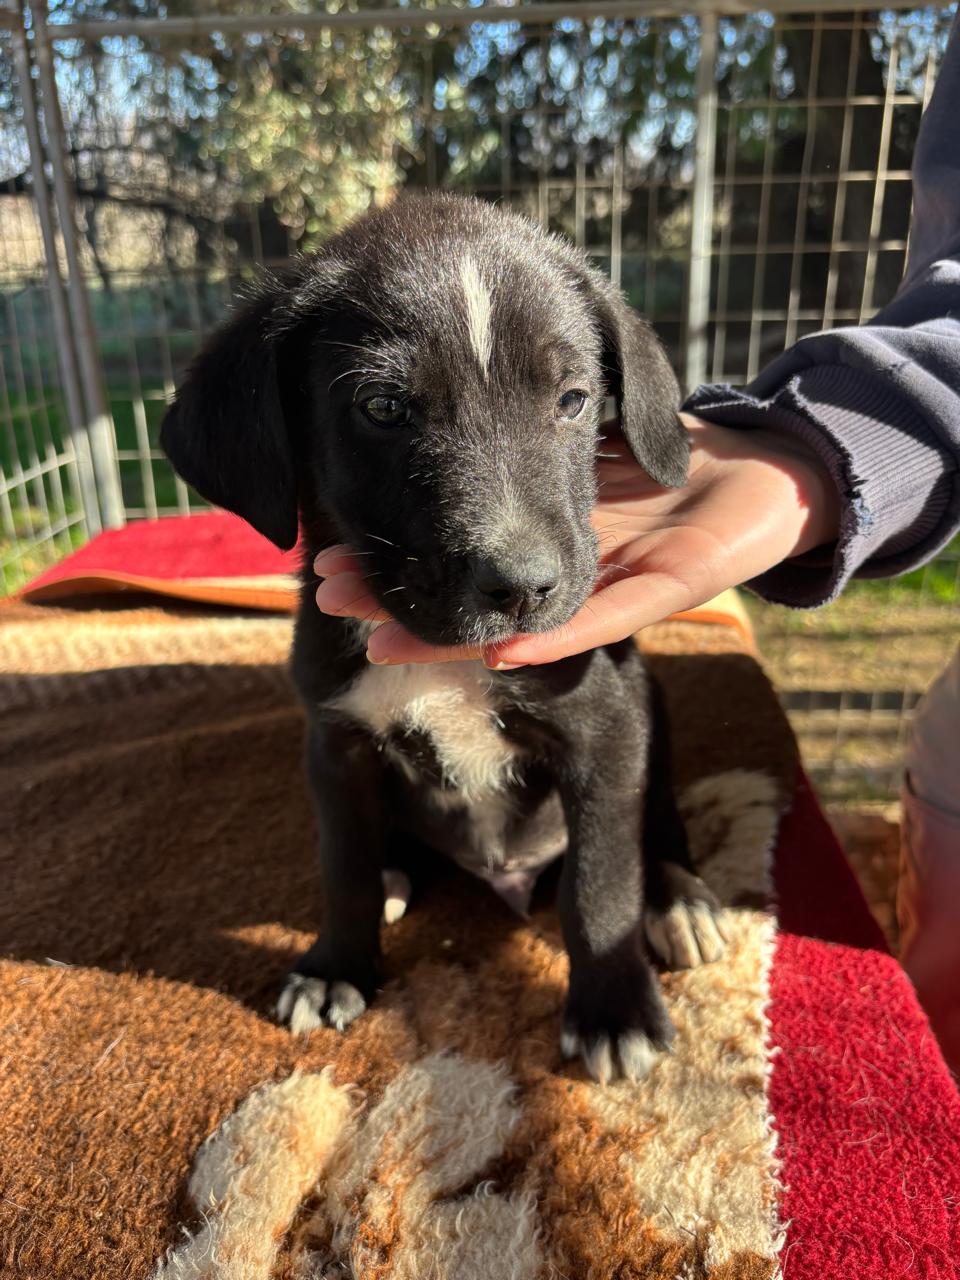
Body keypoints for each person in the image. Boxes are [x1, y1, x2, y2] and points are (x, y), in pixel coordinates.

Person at [313, 16, 960, 1070]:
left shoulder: (565, 581)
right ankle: (391, 887)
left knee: (617, 708)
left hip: (571, 834)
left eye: (569, 399)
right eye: (385, 408)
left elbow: (607, 742)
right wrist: (343, 938)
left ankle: (659, 869)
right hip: (433, 825)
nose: (514, 548)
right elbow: (337, 755)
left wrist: (617, 932)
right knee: (346, 744)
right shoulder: (337, 621)